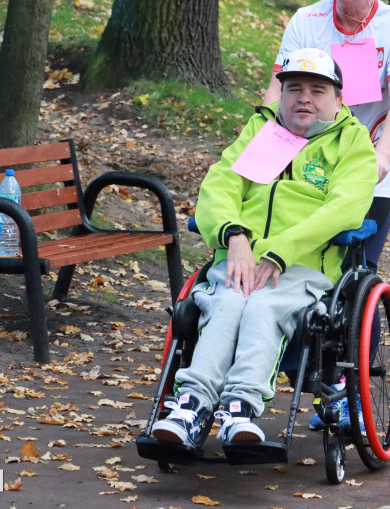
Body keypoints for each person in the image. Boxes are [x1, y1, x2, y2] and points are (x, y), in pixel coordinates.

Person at [150, 48, 377, 450]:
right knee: (227, 303)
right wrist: (234, 235)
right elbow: (219, 185)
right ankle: (189, 406)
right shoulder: (262, 129)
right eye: (294, 89)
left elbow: (347, 206)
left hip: (302, 266)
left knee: (261, 306)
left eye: (316, 89)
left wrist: (281, 250)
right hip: (238, 258)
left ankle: (239, 409)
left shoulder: (350, 141)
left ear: (337, 99)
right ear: (282, 93)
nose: (303, 98)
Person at [262, 0, 390, 272]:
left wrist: (381, 157)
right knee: (303, 263)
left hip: (369, 164)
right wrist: (264, 148)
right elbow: (277, 89)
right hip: (309, 163)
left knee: (357, 273)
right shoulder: (307, 20)